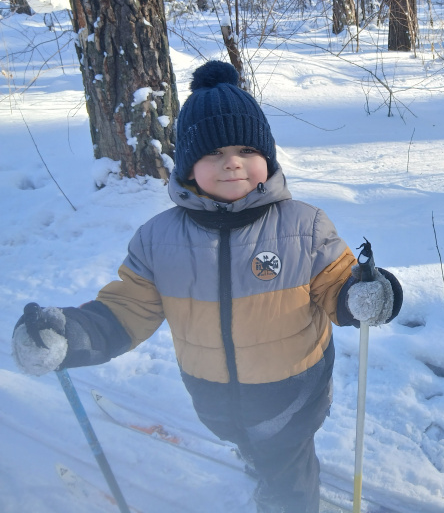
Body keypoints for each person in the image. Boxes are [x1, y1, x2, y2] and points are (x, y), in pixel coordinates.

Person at [12, 61, 403, 513]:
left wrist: (367, 295)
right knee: (252, 446)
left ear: (267, 158)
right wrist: (73, 335)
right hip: (213, 399)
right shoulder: (159, 240)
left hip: (292, 400)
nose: (231, 162)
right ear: (188, 166)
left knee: (288, 481)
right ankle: (252, 455)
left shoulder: (304, 226)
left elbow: (339, 286)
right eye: (213, 153)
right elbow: (125, 310)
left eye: (244, 149)